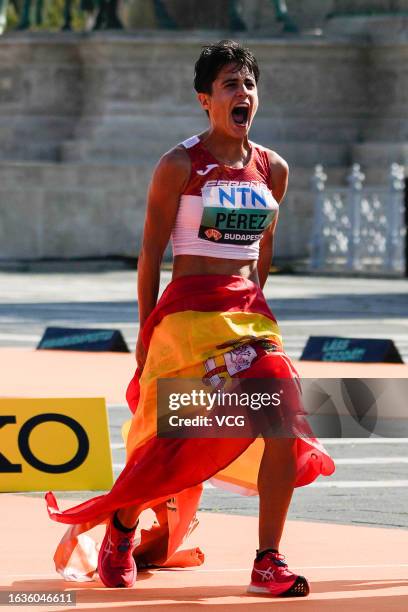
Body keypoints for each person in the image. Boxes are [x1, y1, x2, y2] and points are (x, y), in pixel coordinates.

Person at [46, 39, 335, 598]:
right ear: (206, 100)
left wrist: (256, 318)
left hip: (246, 317)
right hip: (183, 320)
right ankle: (123, 529)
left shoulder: (273, 169)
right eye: (229, 85)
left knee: (282, 412)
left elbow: (264, 252)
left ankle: (267, 560)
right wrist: (145, 331)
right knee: (178, 433)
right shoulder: (178, 164)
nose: (242, 93)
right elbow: (151, 253)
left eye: (249, 84)